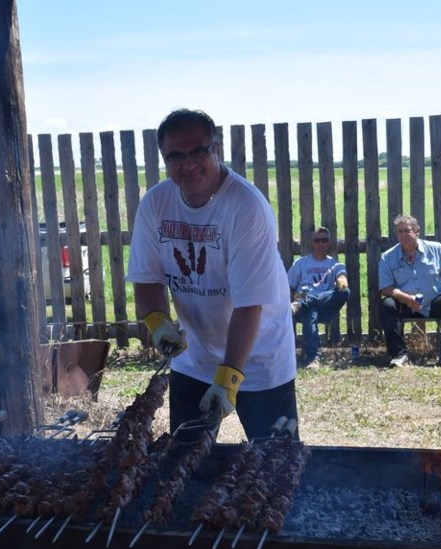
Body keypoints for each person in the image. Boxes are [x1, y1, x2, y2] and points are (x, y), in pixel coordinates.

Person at [126, 108, 299, 441]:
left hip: (259, 357)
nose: (188, 164)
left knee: (273, 466)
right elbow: (147, 278)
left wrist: (230, 377)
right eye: (175, 156)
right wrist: (157, 323)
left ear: (215, 149)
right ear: (164, 159)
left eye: (198, 151)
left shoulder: (245, 206)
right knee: (183, 463)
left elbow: (249, 305)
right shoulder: (156, 204)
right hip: (195, 357)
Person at [378, 214, 441, 367]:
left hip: (434, 301)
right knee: (386, 305)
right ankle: (399, 355)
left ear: (417, 231)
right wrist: (407, 299)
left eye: (407, 231)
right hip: (405, 304)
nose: (403, 235)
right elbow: (386, 288)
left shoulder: (435, 249)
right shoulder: (387, 257)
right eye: (399, 232)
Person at [286, 227, 351, 368]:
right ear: (312, 243)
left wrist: (341, 281)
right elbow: (288, 288)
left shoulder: (335, 265)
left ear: (329, 243)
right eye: (317, 240)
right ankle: (313, 358)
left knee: (346, 292)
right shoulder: (301, 263)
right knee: (311, 311)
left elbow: (343, 280)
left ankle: (303, 303)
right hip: (301, 305)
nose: (320, 244)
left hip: (324, 307)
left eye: (324, 240)